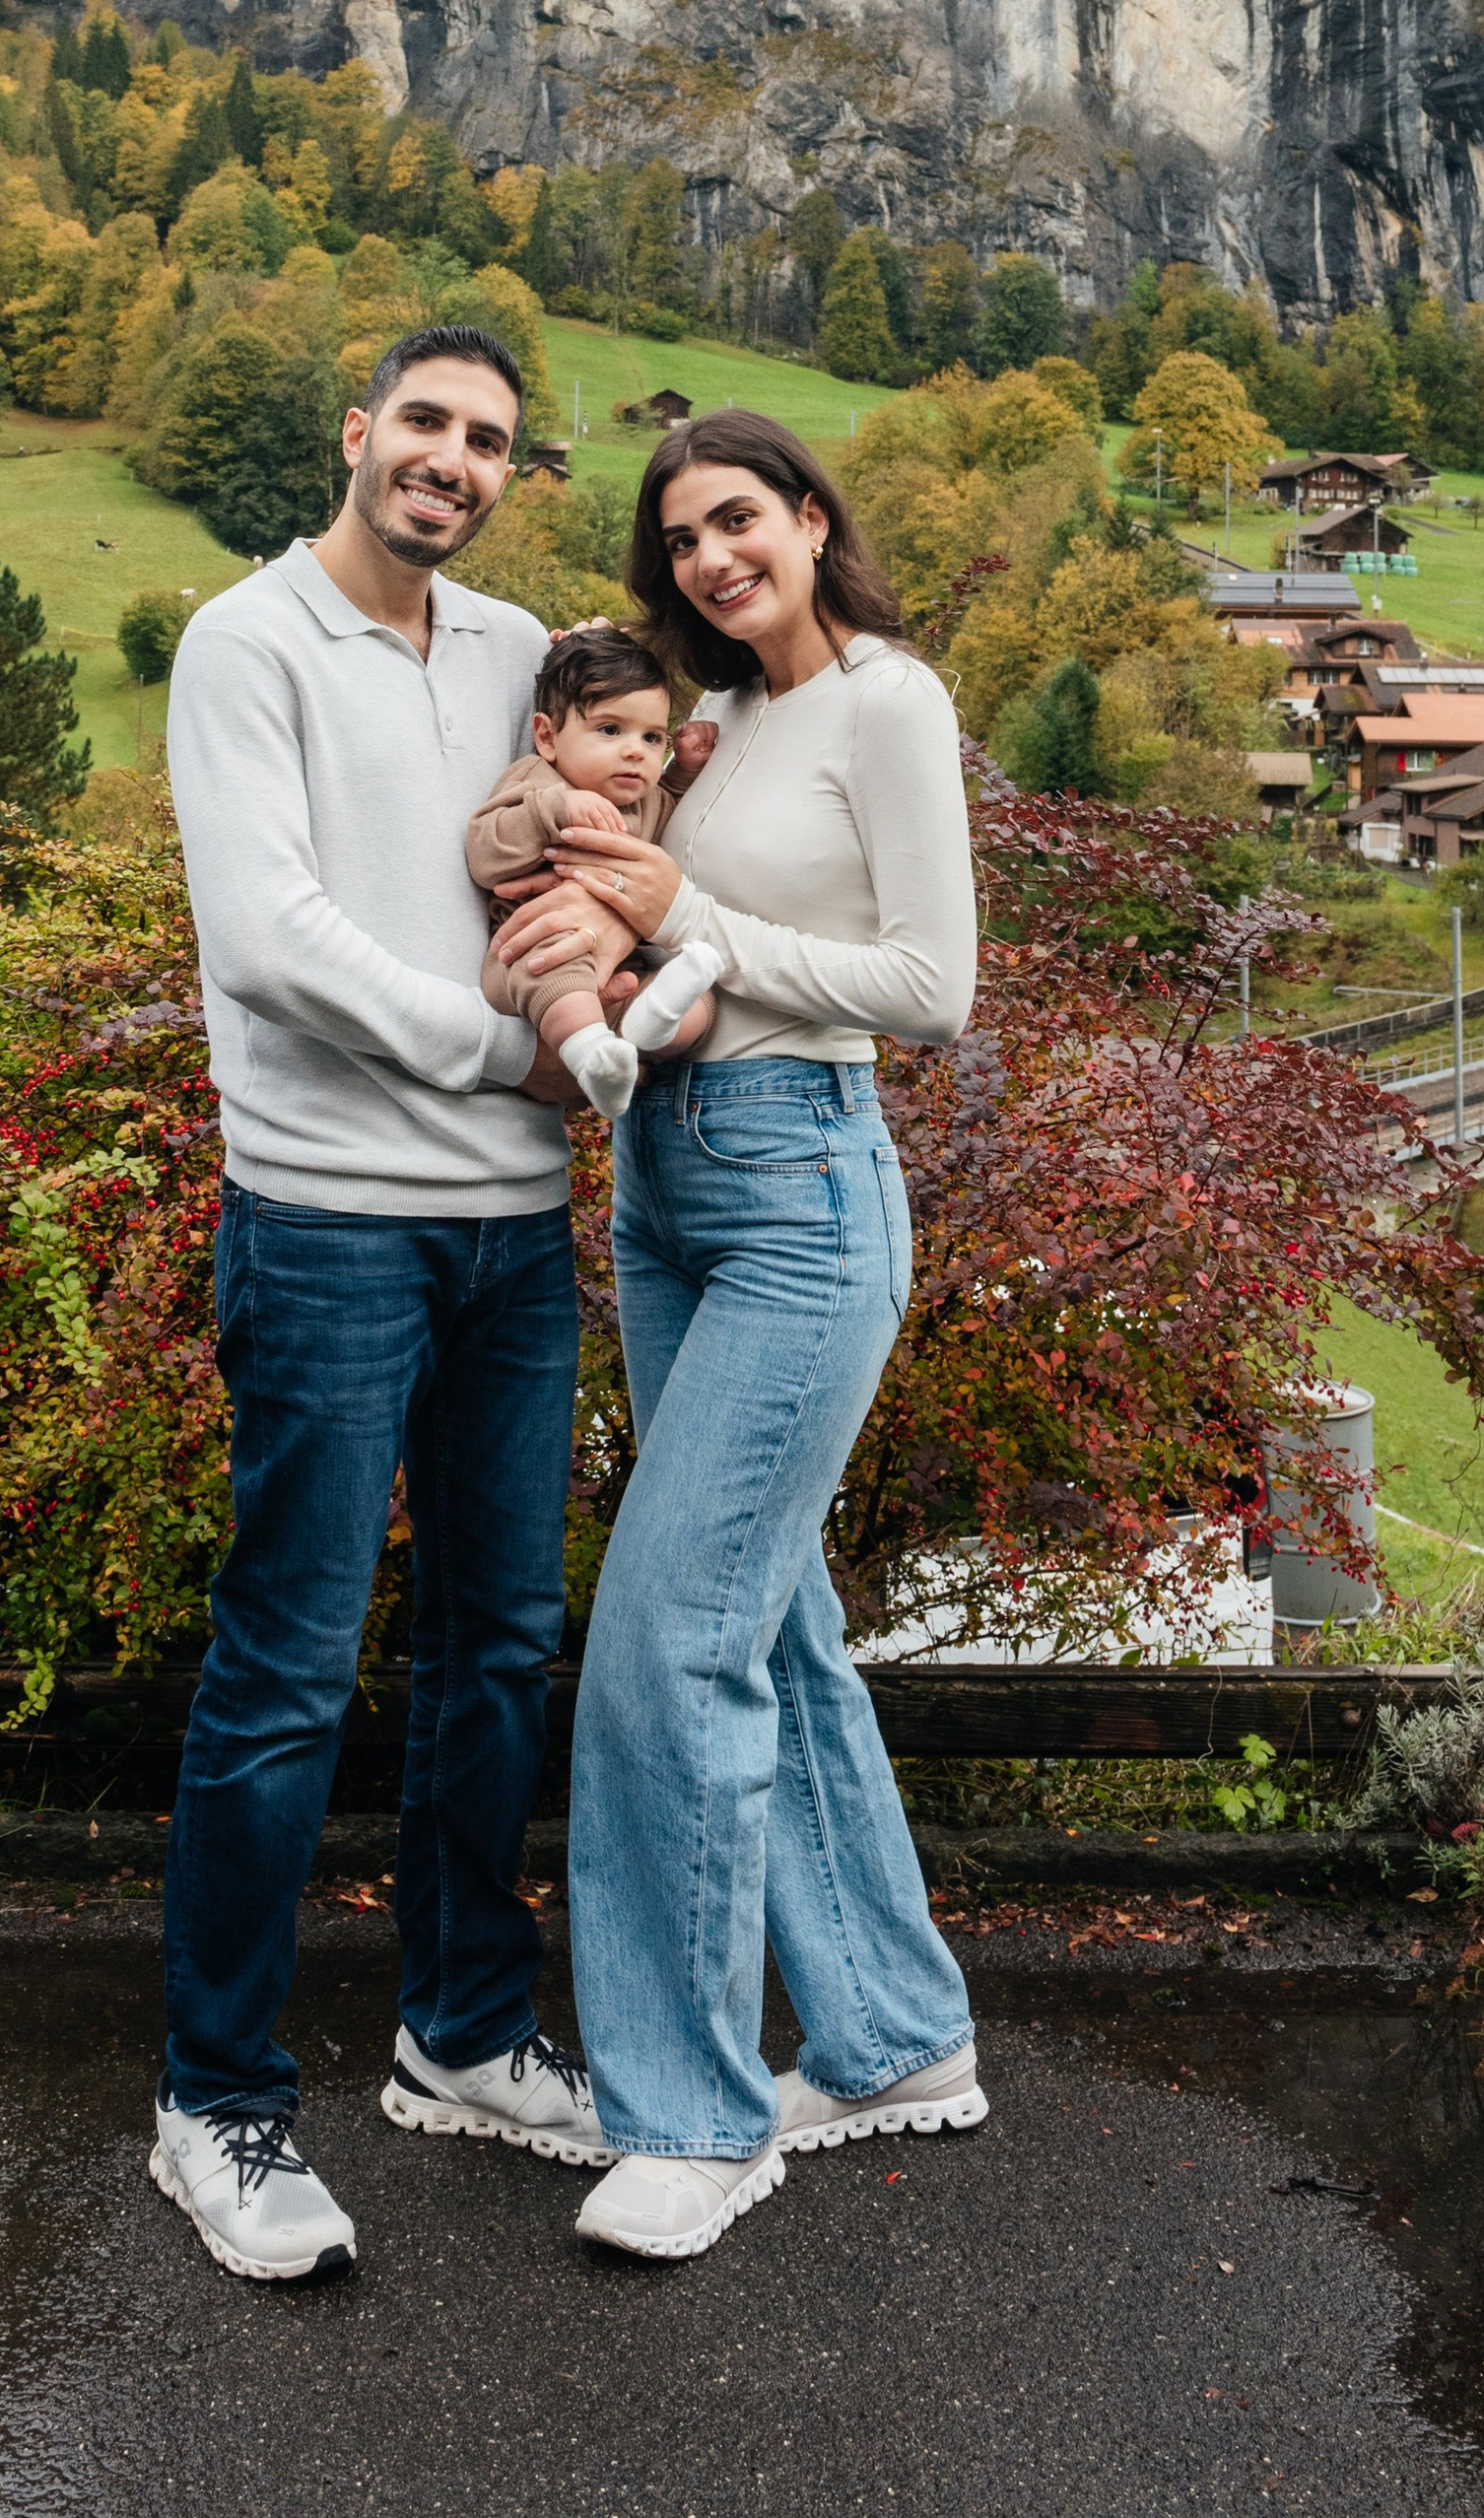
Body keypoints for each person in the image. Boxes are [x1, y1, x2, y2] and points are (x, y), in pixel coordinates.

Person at [491, 410, 985, 2264]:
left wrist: (687, 909)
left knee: (662, 1646)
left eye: (738, 522)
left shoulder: (887, 701)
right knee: (774, 1630)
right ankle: (891, 2036)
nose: (710, 558)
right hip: (671, 1187)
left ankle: (697, 2119)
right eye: (680, 538)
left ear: (811, 521)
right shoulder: (723, 726)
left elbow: (932, 990)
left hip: (801, 1190)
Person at [156, 322, 620, 2283]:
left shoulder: (519, 655)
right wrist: (507, 1055)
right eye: (422, 423)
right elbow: (271, 945)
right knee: (285, 1665)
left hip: (516, 1239)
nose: (448, 458)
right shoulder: (241, 646)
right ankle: (218, 2103)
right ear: (355, 435)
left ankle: (458, 2028)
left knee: (500, 1644)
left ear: (509, 474)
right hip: (332, 1221)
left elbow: (619, 816)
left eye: (486, 440)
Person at [466, 624, 722, 1120]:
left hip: (624, 969)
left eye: (652, 737)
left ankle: (641, 1032)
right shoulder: (537, 782)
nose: (635, 751)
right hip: (532, 956)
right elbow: (484, 850)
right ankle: (590, 1055)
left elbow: (671, 807)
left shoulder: (644, 800)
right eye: (610, 730)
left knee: (701, 1009)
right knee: (557, 967)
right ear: (547, 736)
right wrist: (555, 811)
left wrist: (685, 770)